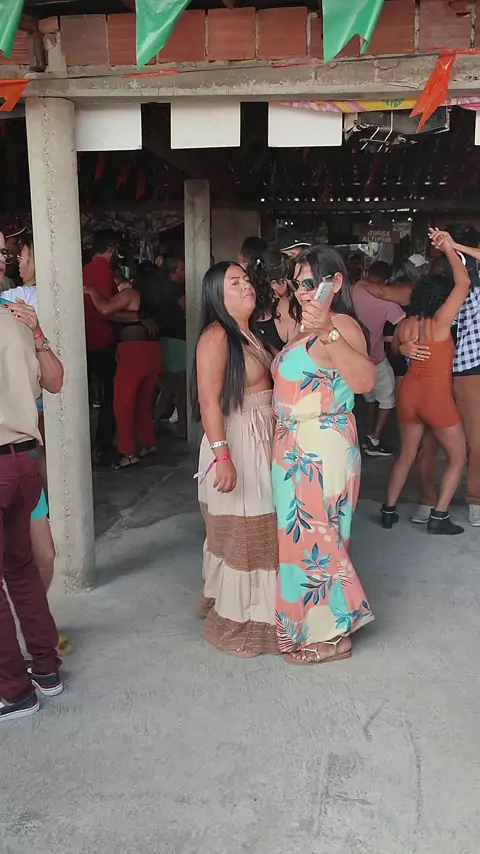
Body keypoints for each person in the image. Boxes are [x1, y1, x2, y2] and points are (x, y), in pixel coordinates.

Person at [272, 245, 375, 664]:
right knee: (303, 540)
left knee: (318, 539)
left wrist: (328, 329)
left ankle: (333, 635)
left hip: (320, 446)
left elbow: (364, 381)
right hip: (295, 447)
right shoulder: (302, 325)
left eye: (311, 282)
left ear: (335, 283)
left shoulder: (341, 324)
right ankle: (308, 627)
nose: (302, 291)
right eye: (298, 283)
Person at [192, 261, 278, 657]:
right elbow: (208, 400)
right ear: (217, 295)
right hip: (237, 441)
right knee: (246, 532)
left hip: (262, 437)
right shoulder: (216, 335)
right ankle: (240, 621)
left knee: (263, 527)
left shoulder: (251, 333)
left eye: (246, 279)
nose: (246, 286)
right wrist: (222, 457)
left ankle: (262, 610)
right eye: (234, 282)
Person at [0, 293, 64, 722]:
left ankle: (13, 691)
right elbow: (55, 382)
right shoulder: (18, 318)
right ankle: (45, 668)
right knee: (21, 569)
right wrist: (39, 334)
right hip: (23, 461)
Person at [381, 229, 470, 535]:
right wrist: (449, 249)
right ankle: (439, 516)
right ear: (443, 299)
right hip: (435, 397)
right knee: (458, 457)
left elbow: (394, 348)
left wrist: (404, 349)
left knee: (406, 455)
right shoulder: (441, 322)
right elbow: (463, 282)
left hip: (409, 392)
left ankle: (388, 510)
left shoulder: (406, 324)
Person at [413, 225, 480, 527]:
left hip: (463, 367)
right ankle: (434, 500)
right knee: (431, 439)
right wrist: (404, 346)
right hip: (444, 368)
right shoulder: (441, 286)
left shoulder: (468, 284)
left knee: (467, 439)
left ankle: (468, 499)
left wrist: (455, 247)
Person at [84, 264, 163, 469]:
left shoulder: (131, 294)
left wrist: (91, 291)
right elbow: (130, 315)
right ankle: (148, 443)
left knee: (123, 405)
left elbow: (104, 309)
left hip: (132, 352)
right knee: (143, 403)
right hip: (153, 351)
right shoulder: (156, 300)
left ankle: (127, 453)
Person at [352, 261, 405, 456]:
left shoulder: (354, 290)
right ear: (386, 281)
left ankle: (367, 433)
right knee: (387, 399)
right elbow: (403, 324)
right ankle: (375, 440)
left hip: (354, 358)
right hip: (376, 358)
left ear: (367, 274)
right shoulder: (389, 304)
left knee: (369, 399)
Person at [83, 229, 121, 465]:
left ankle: (83, 446)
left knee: (85, 398)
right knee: (109, 398)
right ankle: (103, 446)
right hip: (103, 338)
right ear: (110, 249)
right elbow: (107, 307)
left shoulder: (85, 270)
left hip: (83, 338)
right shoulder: (104, 271)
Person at [247, 247, 300, 354]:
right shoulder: (288, 308)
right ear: (274, 284)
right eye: (285, 280)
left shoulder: (245, 307)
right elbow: (298, 353)